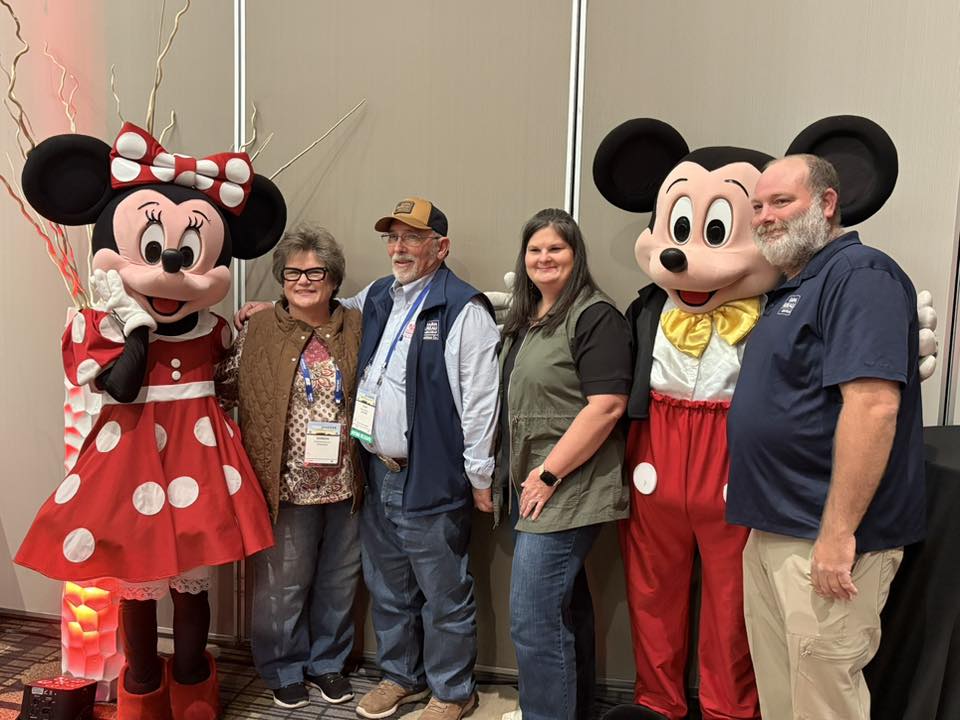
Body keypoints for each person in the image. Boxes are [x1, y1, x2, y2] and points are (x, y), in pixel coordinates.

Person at [726, 154, 926, 720]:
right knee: (784, 699)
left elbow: (873, 407)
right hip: (775, 530)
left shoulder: (860, 275)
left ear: (827, 203)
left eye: (780, 202)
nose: (764, 217)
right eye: (757, 206)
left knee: (823, 702)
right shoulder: (796, 285)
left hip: (825, 539)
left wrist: (838, 535)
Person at [216, 225, 363, 709]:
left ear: (333, 279)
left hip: (348, 482)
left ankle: (328, 663)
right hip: (285, 484)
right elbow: (223, 390)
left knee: (339, 581)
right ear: (281, 279)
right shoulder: (257, 330)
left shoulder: (357, 326)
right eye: (293, 273)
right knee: (283, 584)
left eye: (315, 272)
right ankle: (283, 666)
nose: (303, 281)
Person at [496, 208, 632, 720]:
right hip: (535, 481)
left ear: (576, 254)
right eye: (535, 249)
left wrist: (549, 474)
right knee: (562, 608)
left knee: (533, 617)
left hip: (567, 485)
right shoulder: (530, 318)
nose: (544, 257)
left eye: (556, 248)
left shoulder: (595, 316)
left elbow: (607, 406)